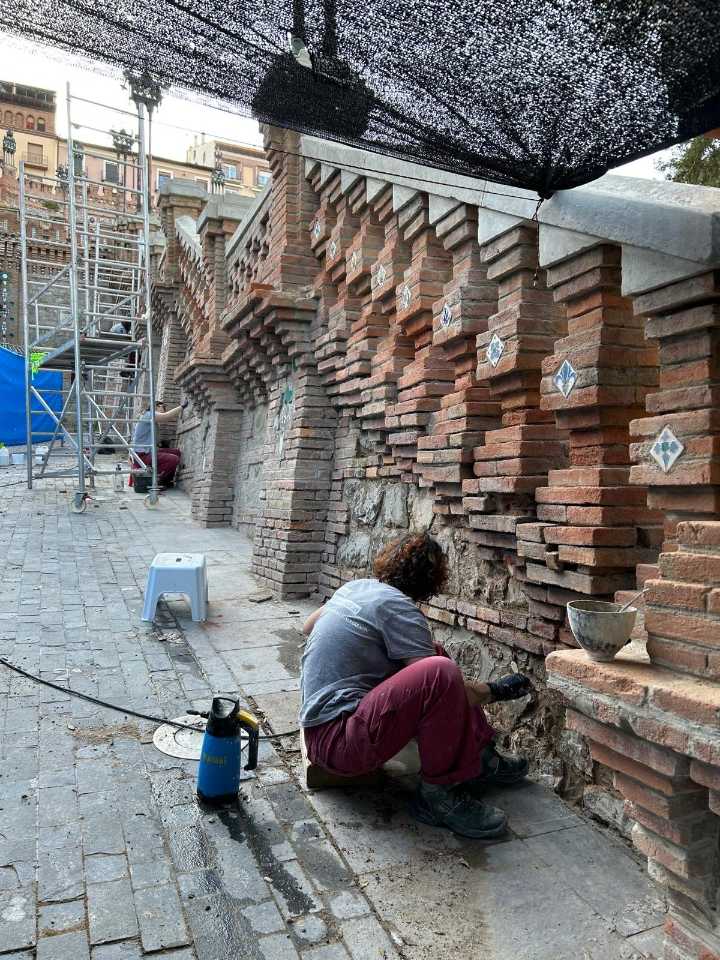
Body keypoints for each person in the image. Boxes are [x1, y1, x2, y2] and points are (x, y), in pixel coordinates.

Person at [300, 532, 533, 839]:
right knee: (439, 671)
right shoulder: (400, 609)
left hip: (325, 728)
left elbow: (308, 627)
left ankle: (481, 757)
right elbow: (448, 691)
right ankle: (438, 795)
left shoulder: (357, 588)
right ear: (431, 582)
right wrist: (498, 690)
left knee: (434, 655)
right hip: (340, 743)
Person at [132, 399, 187, 487]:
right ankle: (156, 480)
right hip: (142, 455)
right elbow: (166, 416)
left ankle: (167, 481)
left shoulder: (154, 421)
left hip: (149, 452)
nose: (164, 409)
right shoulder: (149, 415)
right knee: (174, 459)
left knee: (176, 452)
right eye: (163, 407)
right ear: (156, 406)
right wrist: (182, 407)